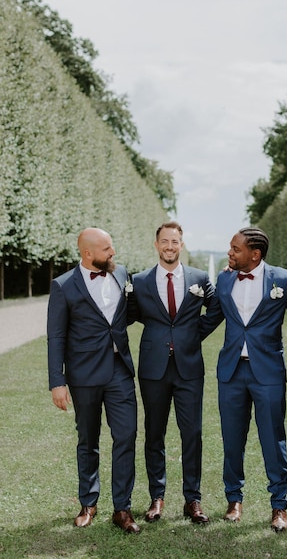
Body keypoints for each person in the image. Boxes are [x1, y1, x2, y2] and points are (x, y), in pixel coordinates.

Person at [47, 227, 140, 533]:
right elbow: (56, 336)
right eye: (106, 249)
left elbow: (126, 314)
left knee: (126, 436)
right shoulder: (63, 286)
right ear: (88, 254)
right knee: (88, 440)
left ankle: (122, 508)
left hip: (119, 370)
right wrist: (57, 382)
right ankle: (88, 502)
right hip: (83, 374)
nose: (113, 253)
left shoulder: (121, 273)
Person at [200, 227, 287, 532]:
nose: (230, 253)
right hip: (231, 372)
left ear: (255, 254)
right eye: (229, 248)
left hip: (267, 371)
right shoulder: (225, 278)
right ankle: (234, 500)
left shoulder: (283, 279)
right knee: (232, 438)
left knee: (273, 439)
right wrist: (176, 339)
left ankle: (279, 506)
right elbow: (212, 317)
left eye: (235, 249)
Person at [127, 221, 216, 524]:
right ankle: (157, 497)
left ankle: (193, 499)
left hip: (189, 367)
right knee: (154, 433)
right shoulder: (139, 281)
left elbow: (216, 309)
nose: (169, 247)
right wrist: (158, 334)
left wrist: (192, 334)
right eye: (164, 241)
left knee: (193, 434)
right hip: (153, 368)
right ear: (156, 245)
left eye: (174, 242)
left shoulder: (200, 278)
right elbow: (130, 313)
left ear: (182, 244)